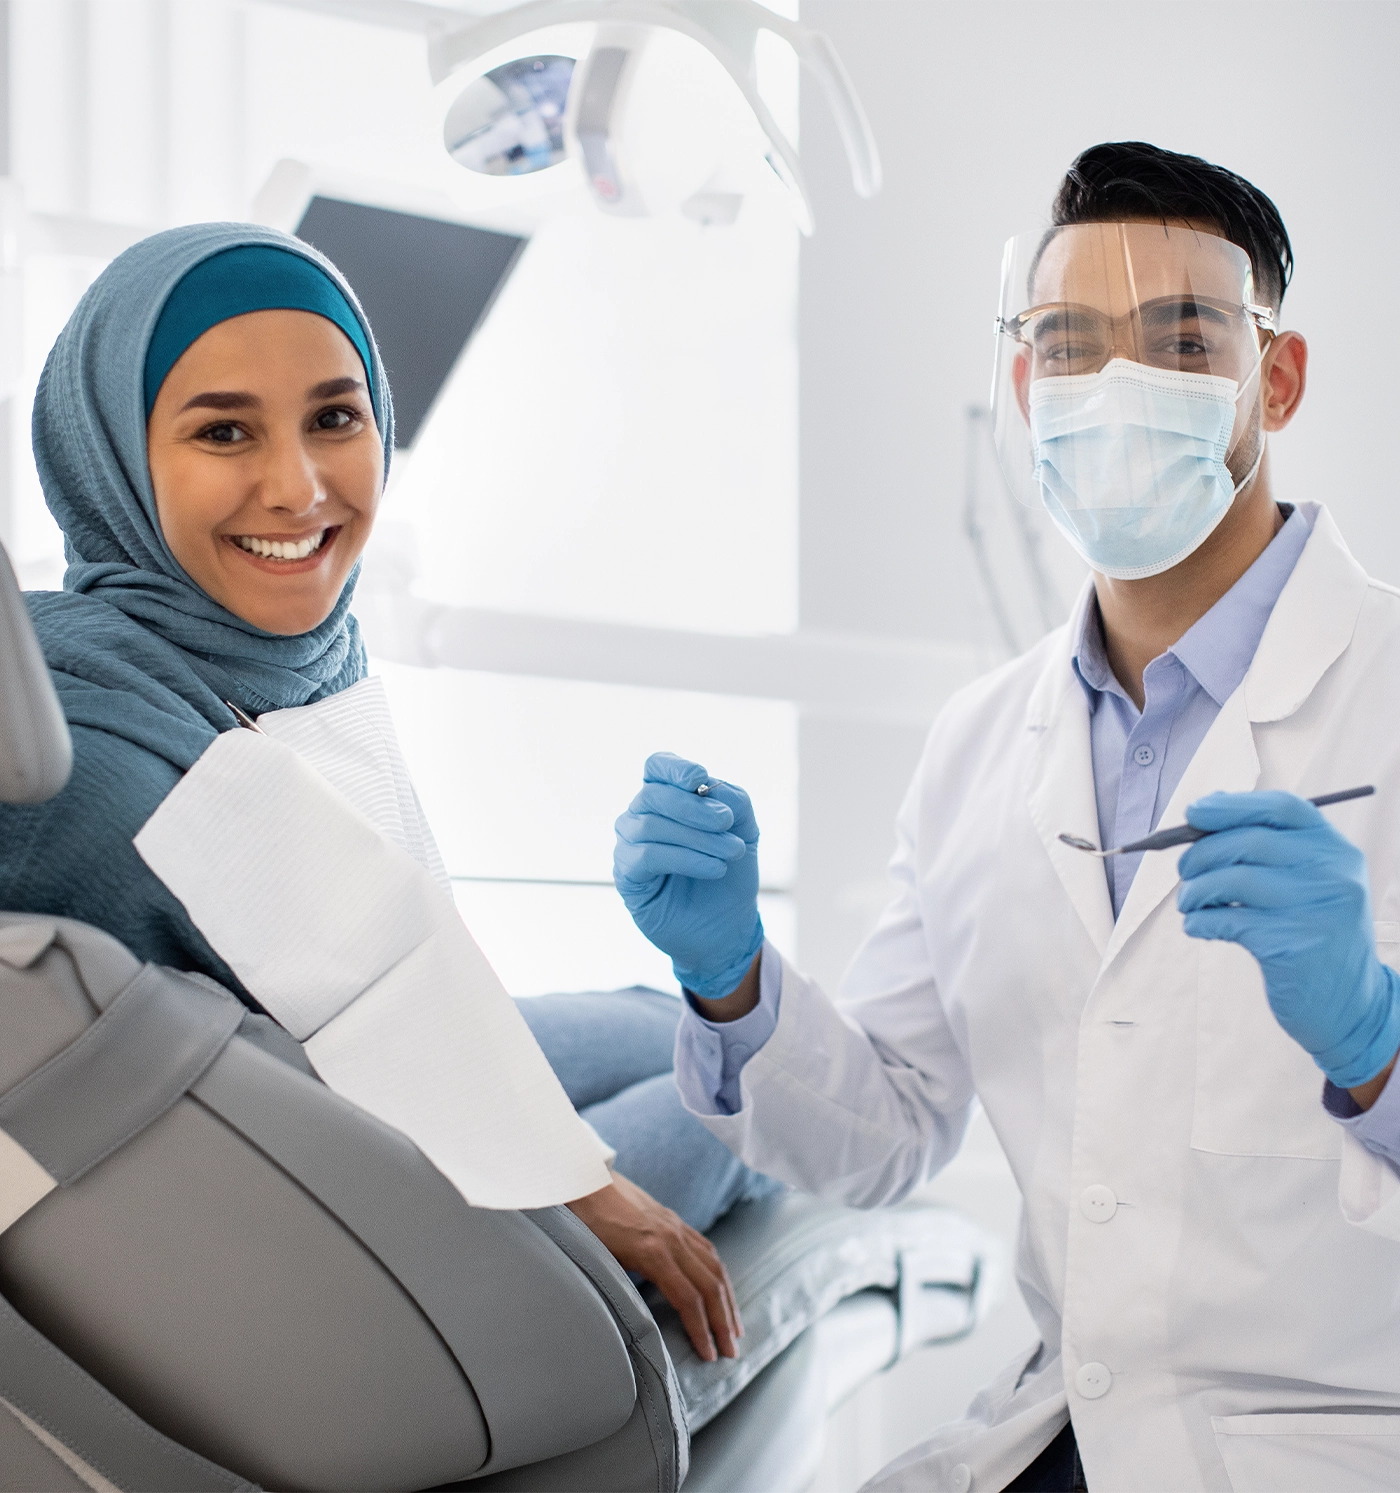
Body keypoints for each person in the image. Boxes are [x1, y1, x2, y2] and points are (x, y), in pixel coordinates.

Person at [613, 141, 1400, 1490]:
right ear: (1025, 383)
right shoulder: (985, 739)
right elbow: (887, 1128)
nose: (1116, 386)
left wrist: (1376, 1047)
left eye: (1181, 338)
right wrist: (730, 976)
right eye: (1068, 344)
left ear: (1278, 378)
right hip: (1066, 1431)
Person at [0, 220, 777, 1366]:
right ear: (110, 450)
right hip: (328, 1221)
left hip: (315, 1099)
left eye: (334, 417)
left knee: (669, 1023)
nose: (299, 487)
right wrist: (575, 1185)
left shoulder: (237, 655)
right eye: (224, 430)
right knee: (727, 1114)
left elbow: (365, 969)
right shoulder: (96, 759)